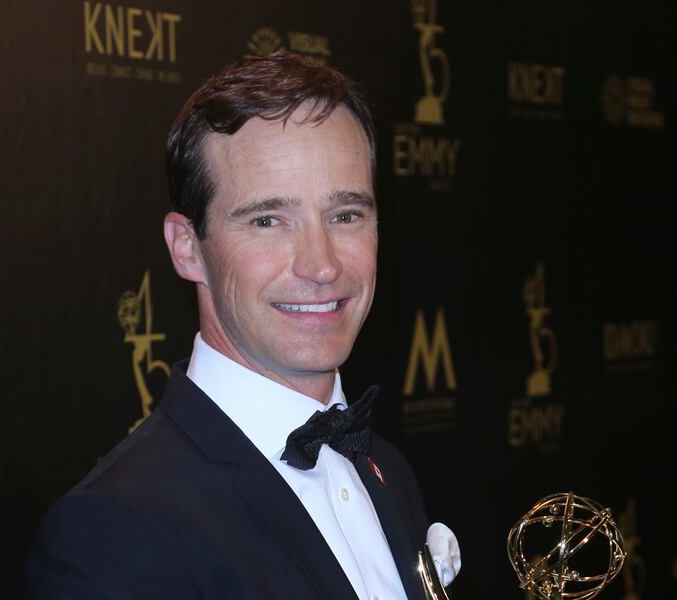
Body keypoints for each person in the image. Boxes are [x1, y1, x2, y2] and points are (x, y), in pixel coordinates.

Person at [26, 52, 442, 600]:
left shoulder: (387, 469)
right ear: (187, 248)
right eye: (268, 220)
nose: (322, 265)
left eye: (346, 215)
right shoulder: (115, 530)